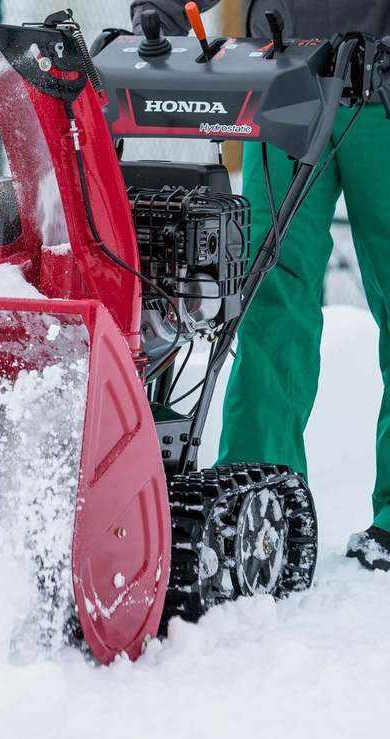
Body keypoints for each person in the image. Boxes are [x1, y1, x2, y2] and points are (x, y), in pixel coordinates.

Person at [131, 0, 390, 571]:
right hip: (286, 85)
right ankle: (255, 501)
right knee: (267, 299)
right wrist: (161, 22)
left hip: (385, 97)